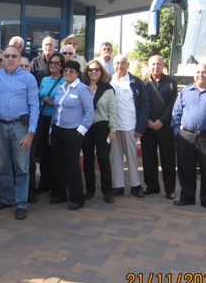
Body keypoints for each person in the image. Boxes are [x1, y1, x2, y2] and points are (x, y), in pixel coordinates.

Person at [0, 45, 39, 220]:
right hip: (0, 126)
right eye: (7, 56)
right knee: (3, 165)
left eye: (14, 56)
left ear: (19, 59)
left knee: (22, 167)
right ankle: (6, 198)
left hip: (20, 128)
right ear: (2, 58)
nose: (10, 59)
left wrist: (31, 133)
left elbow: (35, 106)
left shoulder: (29, 78)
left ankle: (21, 204)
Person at [171, 63, 206, 212]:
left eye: (204, 72)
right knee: (185, 169)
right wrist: (177, 132)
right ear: (194, 75)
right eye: (198, 72)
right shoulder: (185, 92)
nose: (200, 75)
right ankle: (187, 197)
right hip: (186, 136)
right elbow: (176, 113)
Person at [49, 60, 94, 210]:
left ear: (77, 73)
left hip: (73, 132)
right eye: (66, 70)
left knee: (72, 166)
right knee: (58, 164)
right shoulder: (61, 88)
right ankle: (60, 194)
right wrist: (51, 131)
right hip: (57, 130)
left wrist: (80, 131)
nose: (68, 73)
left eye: (72, 71)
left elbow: (89, 112)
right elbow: (56, 110)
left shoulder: (82, 89)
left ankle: (77, 199)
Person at [109, 54, 150, 198]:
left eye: (123, 63)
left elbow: (145, 104)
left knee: (132, 157)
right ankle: (117, 186)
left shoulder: (135, 82)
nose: (119, 66)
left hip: (130, 125)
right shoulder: (108, 80)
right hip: (113, 127)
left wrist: (140, 127)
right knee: (115, 157)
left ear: (128, 65)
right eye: (117, 63)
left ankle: (135, 185)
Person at [141, 55, 178, 199]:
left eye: (159, 64)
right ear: (148, 65)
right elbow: (140, 104)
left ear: (163, 66)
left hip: (165, 126)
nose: (156, 67)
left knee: (168, 158)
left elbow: (173, 104)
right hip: (147, 126)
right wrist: (147, 121)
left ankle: (169, 189)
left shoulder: (171, 83)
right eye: (153, 64)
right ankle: (151, 186)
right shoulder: (143, 83)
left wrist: (161, 121)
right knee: (148, 158)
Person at [80, 60, 117, 203]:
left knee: (104, 159)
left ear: (101, 72)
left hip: (102, 127)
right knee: (88, 159)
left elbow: (113, 111)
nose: (93, 72)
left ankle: (107, 191)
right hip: (86, 127)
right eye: (90, 70)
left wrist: (113, 130)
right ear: (87, 72)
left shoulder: (107, 89)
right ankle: (90, 190)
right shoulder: (82, 87)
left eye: (96, 69)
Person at [35, 52, 65, 195]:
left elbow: (65, 101)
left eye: (57, 63)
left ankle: (55, 186)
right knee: (44, 153)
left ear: (61, 66)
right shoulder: (44, 80)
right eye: (51, 63)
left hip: (58, 120)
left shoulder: (64, 81)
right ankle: (43, 184)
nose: (53, 65)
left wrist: (52, 102)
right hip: (44, 120)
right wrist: (44, 102)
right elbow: (39, 98)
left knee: (56, 154)